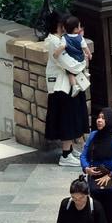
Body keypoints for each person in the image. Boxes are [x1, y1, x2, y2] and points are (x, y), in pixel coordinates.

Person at [41, 13, 89, 168]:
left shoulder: (59, 40)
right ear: (59, 25)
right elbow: (68, 63)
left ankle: (70, 149)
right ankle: (66, 155)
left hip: (67, 86)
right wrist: (83, 64)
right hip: (62, 88)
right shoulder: (55, 42)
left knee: (73, 117)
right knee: (67, 119)